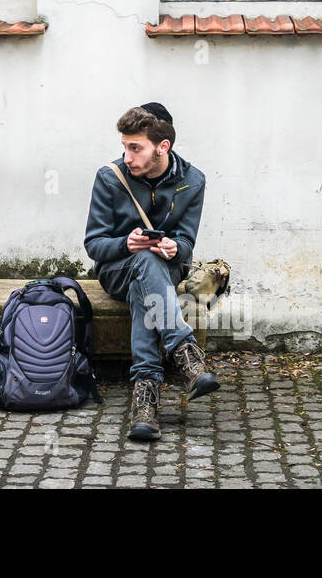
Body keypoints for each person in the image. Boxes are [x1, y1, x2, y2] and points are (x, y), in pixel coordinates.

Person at [84, 102, 218, 441]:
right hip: (116, 270)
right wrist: (125, 244)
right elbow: (94, 244)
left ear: (163, 147)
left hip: (163, 273)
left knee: (147, 278)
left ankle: (146, 401)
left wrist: (176, 248)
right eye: (125, 147)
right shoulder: (110, 177)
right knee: (143, 261)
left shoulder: (193, 181)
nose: (127, 157)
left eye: (135, 147)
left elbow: (187, 241)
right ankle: (185, 352)